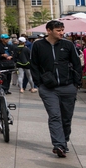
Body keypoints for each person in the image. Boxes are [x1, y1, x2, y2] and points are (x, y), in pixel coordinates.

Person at [30, 20, 83, 158]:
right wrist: (39, 83)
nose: (62, 33)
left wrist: (76, 83)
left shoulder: (68, 45)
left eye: (62, 30)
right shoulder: (38, 45)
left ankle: (64, 140)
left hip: (68, 86)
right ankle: (58, 144)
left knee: (66, 118)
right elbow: (34, 65)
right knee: (54, 115)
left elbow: (76, 64)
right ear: (49, 30)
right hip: (48, 88)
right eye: (58, 30)